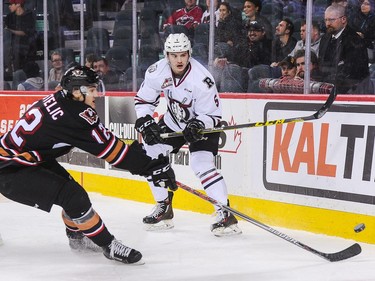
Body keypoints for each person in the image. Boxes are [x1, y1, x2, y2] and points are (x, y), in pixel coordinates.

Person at [0, 65, 178, 265]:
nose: (96, 94)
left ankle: (77, 239)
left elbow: (110, 145)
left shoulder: (62, 100)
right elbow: (114, 153)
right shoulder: (77, 115)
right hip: (11, 169)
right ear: (77, 91)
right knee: (73, 196)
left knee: (73, 194)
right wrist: (151, 167)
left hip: (22, 160)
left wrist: (143, 162)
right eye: (92, 90)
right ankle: (109, 245)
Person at [134, 33, 242, 236]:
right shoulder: (157, 72)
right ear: (167, 55)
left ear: (189, 53)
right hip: (173, 121)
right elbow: (144, 101)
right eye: (174, 55)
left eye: (183, 54)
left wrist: (198, 124)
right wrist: (145, 120)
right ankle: (163, 207)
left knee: (201, 163)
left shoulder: (202, 80)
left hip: (201, 125)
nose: (179, 60)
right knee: (150, 155)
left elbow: (212, 115)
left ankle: (224, 213)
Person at [318, 4, 369, 93]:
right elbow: (322, 64)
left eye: (331, 20)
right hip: (326, 87)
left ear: (343, 19)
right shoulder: (325, 38)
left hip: (350, 90)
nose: (327, 24)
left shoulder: (355, 40)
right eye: (326, 20)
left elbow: (352, 72)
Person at [4, 0, 37, 71]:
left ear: (18, 4)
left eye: (11, 4)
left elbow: (26, 32)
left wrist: (10, 30)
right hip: (13, 51)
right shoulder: (9, 17)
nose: (9, 6)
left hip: (27, 50)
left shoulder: (29, 15)